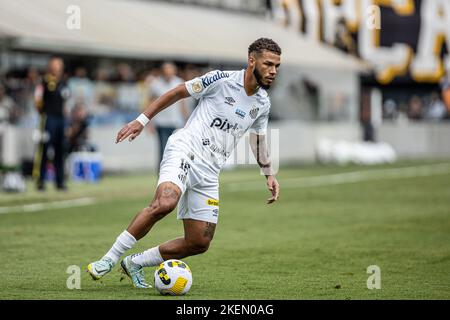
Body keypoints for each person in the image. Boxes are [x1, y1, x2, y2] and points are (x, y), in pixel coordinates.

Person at [87, 38, 281, 288]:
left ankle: (135, 262)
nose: (273, 71)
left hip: (210, 171)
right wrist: (141, 120)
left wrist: (269, 173)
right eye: (268, 64)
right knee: (165, 202)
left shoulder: (262, 103)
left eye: (277, 66)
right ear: (252, 61)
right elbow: (177, 92)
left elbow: (257, 139)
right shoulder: (221, 79)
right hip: (185, 148)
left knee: (199, 242)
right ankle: (109, 258)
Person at [33, 57, 70, 191]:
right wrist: (42, 114)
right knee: (44, 150)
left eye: (59, 65)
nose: (57, 67)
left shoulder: (64, 82)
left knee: (60, 151)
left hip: (61, 119)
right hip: (48, 118)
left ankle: (59, 182)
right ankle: (40, 181)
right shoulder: (45, 81)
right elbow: (37, 98)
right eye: (55, 65)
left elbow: (65, 101)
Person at [149, 62, 190, 167]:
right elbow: (151, 103)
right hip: (161, 122)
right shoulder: (156, 84)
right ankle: (162, 174)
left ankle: (175, 172)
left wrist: (186, 120)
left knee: (177, 149)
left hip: (176, 122)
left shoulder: (179, 82)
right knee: (163, 149)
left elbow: (182, 104)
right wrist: (149, 122)